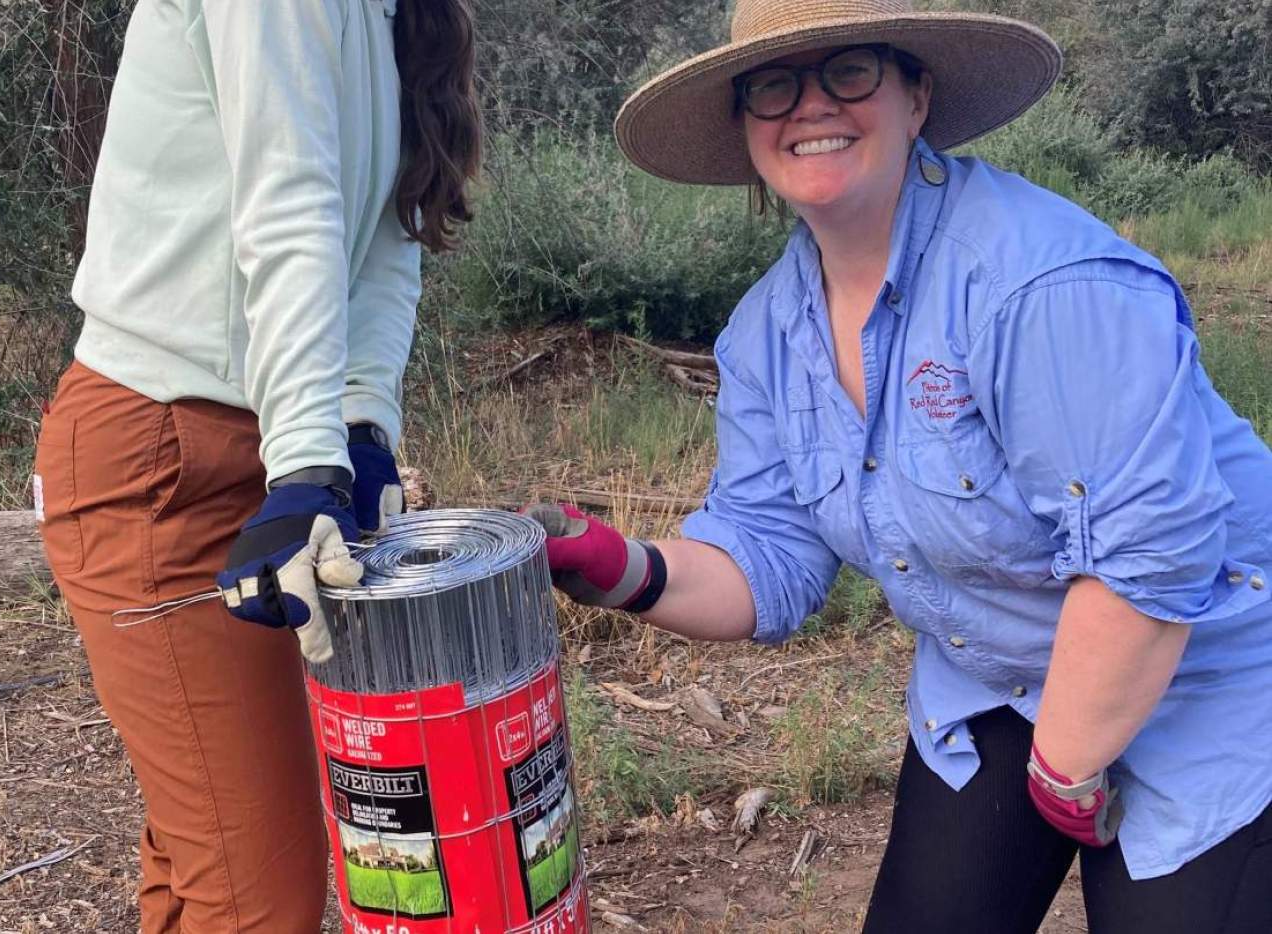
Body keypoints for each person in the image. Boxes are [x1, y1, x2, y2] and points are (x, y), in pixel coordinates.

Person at [528, 0, 1272, 930]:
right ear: (746, 126)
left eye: (849, 72)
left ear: (916, 94)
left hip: (1207, 671)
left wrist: (1066, 765)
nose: (810, 107)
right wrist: (617, 567)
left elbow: (1152, 557)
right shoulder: (768, 333)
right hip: (994, 674)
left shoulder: (1037, 282)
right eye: (774, 84)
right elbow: (770, 558)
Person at [32, 0, 480, 929]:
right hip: (161, 459)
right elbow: (290, 200)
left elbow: (391, 241)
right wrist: (310, 464)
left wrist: (362, 427)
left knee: (213, 855)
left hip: (262, 445)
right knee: (254, 895)